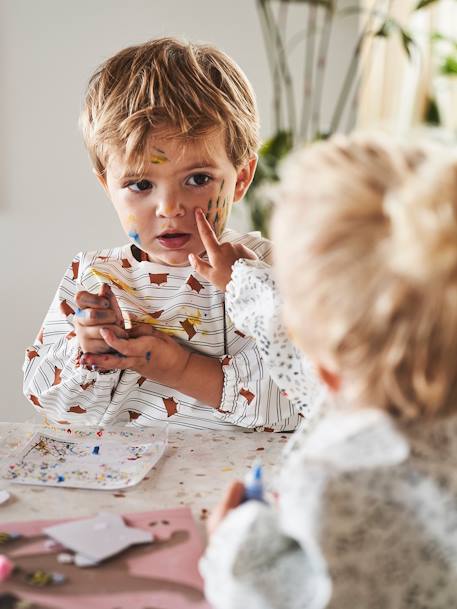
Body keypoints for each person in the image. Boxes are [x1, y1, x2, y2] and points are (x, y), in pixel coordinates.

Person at [200, 133, 457, 608]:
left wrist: (231, 541)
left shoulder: (331, 480)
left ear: (329, 370)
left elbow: (264, 597)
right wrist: (241, 278)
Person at [22, 37, 303, 431]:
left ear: (240, 179)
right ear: (107, 185)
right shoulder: (94, 279)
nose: (170, 208)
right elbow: (52, 407)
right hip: (127, 482)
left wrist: (181, 366)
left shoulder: (272, 270)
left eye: (198, 178)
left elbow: (306, 402)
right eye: (140, 185)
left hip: (244, 483)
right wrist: (90, 352)